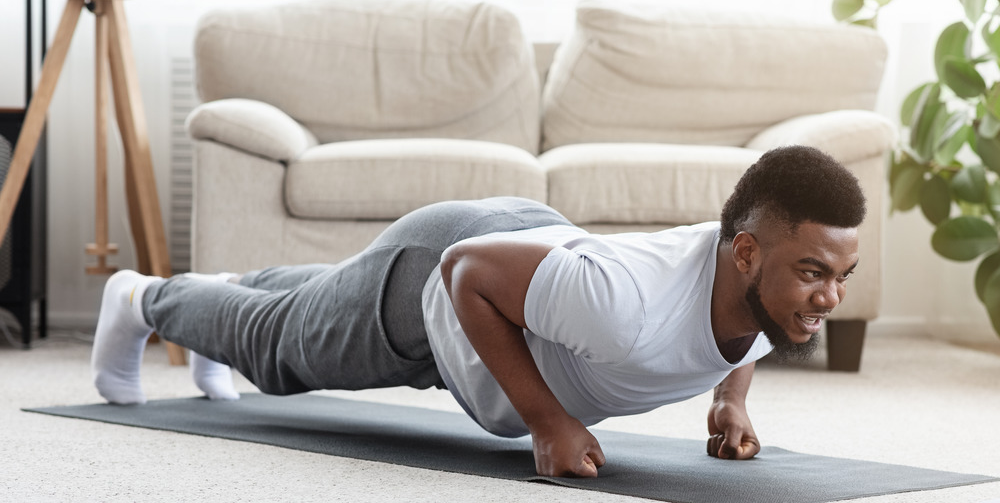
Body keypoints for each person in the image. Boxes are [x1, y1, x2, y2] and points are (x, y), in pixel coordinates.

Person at [91, 145, 865, 478]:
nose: (827, 299)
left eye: (841, 276)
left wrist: (730, 400)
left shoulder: (759, 282)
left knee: (318, 300)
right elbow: (464, 272)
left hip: (523, 265)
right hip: (447, 275)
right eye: (812, 273)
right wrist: (546, 421)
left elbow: (759, 326)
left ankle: (221, 291)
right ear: (745, 255)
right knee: (281, 354)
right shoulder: (624, 306)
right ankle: (141, 298)